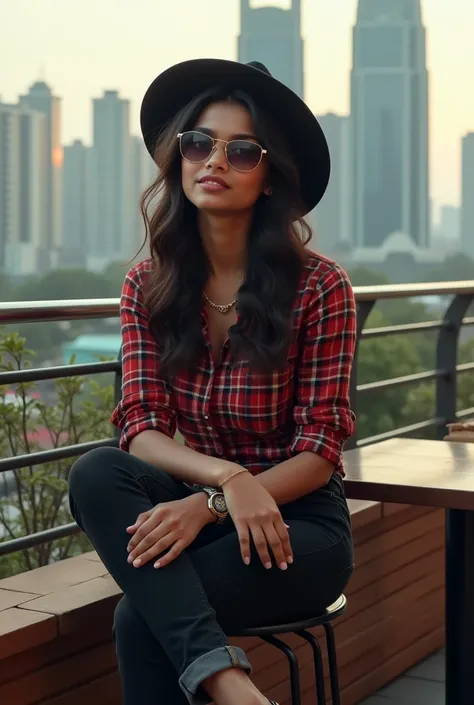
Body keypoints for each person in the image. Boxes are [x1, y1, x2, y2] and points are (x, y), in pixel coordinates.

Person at [68, 58, 357, 705]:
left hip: (299, 526)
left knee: (141, 618)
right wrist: (226, 481)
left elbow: (320, 447)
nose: (213, 160)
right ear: (179, 157)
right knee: (95, 472)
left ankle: (219, 680)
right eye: (198, 142)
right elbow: (139, 428)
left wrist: (217, 503)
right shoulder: (147, 283)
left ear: (269, 177)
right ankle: (230, 685)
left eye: (242, 150)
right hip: (207, 499)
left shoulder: (321, 286)